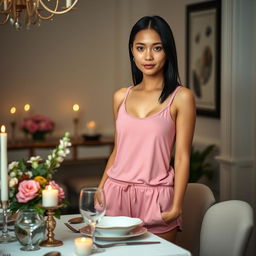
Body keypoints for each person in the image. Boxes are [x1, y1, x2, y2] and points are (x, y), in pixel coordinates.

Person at [98, 15, 196, 242]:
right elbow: (118, 150)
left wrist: (176, 207)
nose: (148, 56)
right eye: (140, 48)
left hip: (156, 198)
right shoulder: (121, 96)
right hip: (115, 195)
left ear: (168, 51)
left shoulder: (181, 98)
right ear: (132, 51)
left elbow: (182, 157)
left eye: (157, 48)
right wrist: (100, 189)